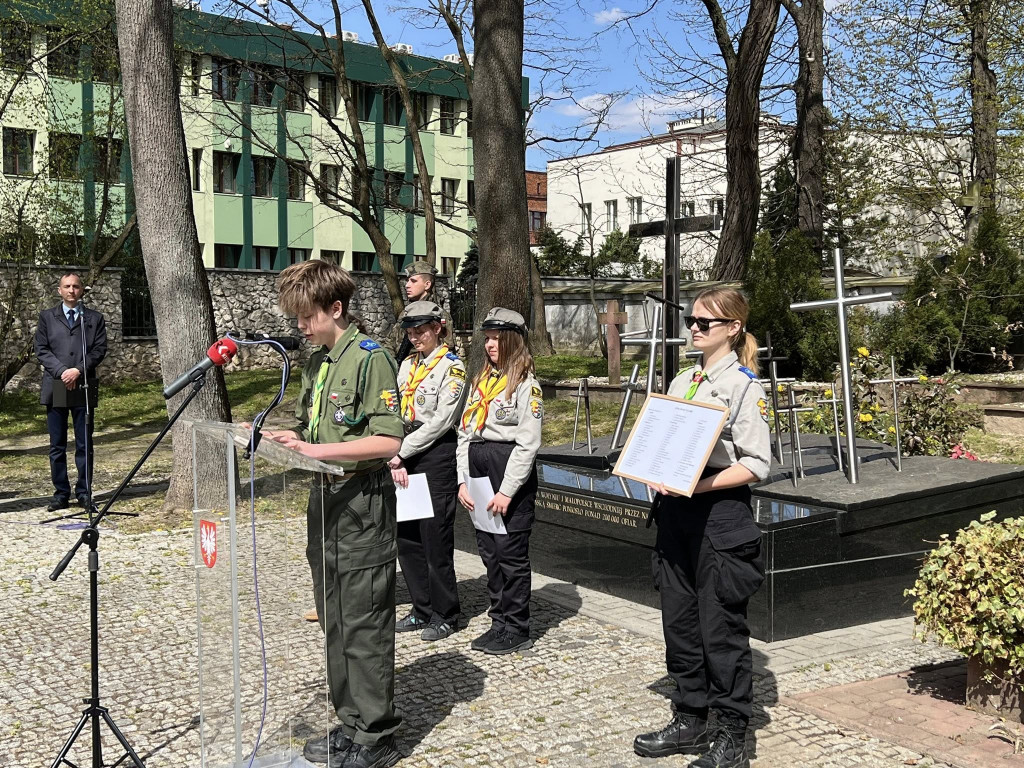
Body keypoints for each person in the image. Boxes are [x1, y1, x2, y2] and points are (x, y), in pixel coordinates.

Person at [261, 259, 404, 768]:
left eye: (307, 316)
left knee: (363, 623)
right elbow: (315, 429)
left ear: (336, 308)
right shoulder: (318, 363)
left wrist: (317, 451)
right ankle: (350, 723)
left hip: (362, 504)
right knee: (335, 620)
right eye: (296, 317)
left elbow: (388, 440)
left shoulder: (371, 359)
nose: (300, 326)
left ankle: (376, 736)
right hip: (324, 502)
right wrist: (294, 439)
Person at [633, 287, 771, 768]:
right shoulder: (682, 380)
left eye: (704, 322)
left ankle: (731, 737)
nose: (693, 328)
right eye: (691, 320)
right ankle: (690, 719)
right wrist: (651, 466)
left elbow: (756, 464)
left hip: (720, 515)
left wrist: (698, 483)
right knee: (680, 625)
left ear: (733, 328)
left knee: (721, 631)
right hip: (676, 514)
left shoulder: (743, 387)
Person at [456, 307, 543, 656]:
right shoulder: (482, 381)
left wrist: (507, 491)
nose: (490, 344)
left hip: (507, 473)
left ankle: (517, 627)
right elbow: (465, 433)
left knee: (510, 554)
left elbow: (528, 444)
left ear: (512, 340)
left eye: (496, 338)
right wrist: (462, 481)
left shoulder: (526, 385)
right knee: (489, 552)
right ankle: (498, 622)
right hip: (478, 470)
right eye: (488, 338)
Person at [388, 301, 466, 641]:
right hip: (404, 454)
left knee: (436, 539)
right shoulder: (407, 365)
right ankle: (421, 608)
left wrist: (401, 451)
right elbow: (393, 406)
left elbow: (441, 421)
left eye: (421, 331)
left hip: (434, 455)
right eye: (410, 332)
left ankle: (446, 613)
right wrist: (396, 451)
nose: (415, 337)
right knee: (408, 538)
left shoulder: (452, 368)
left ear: (437, 328)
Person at [34, 272, 107, 512]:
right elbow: (41, 349)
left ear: (82, 289)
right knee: (57, 445)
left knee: (84, 442)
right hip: (56, 384)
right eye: (67, 286)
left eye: (75, 286)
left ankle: (84, 493)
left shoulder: (94, 318)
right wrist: (63, 371)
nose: (71, 290)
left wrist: (78, 370)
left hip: (83, 384)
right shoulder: (47, 317)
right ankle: (61, 494)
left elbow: (99, 350)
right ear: (59, 290)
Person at [389, 260, 452, 362]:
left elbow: (446, 349)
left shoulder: (438, 314)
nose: (407, 285)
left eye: (413, 281)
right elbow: (391, 342)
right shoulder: (406, 312)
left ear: (427, 285)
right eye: (408, 281)